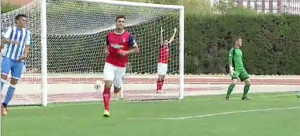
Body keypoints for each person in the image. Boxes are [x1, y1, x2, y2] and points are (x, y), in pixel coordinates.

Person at [102, 15, 139, 117]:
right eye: (119, 21)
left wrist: (126, 52)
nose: (121, 23)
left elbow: (136, 49)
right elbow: (107, 45)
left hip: (121, 66)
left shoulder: (128, 36)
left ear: (124, 24)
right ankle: (106, 110)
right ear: (116, 22)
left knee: (117, 88)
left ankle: (117, 90)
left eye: (123, 22)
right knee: (108, 84)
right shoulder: (109, 35)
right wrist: (106, 50)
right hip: (109, 64)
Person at [1, 14, 31, 116]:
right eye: (23, 20)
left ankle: (4, 105)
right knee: (3, 78)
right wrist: (12, 41)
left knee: (13, 83)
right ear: (18, 21)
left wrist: (25, 54)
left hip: (19, 61)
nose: (25, 22)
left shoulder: (27, 33)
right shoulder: (11, 29)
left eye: (25, 21)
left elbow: (27, 45)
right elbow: (4, 40)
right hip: (8, 57)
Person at [156, 27, 177, 93]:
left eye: (167, 42)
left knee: (163, 77)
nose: (166, 42)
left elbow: (171, 39)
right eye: (165, 42)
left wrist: (174, 32)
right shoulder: (162, 46)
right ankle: (158, 89)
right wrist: (161, 33)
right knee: (160, 76)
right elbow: (161, 40)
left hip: (165, 64)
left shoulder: (168, 47)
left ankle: (160, 89)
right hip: (161, 63)